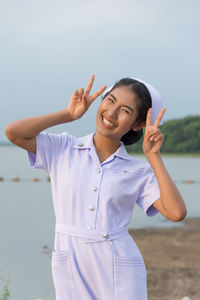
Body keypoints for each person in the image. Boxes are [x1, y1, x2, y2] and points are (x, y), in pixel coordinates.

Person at [5, 74, 187, 300]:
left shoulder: (137, 171)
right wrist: (68, 115)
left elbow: (177, 213)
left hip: (119, 265)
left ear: (138, 124)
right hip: (68, 259)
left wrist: (154, 156)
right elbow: (14, 133)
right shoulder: (63, 147)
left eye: (125, 111)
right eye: (110, 100)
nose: (111, 113)